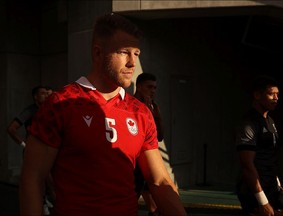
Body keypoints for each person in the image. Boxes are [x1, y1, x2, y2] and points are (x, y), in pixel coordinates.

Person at [19, 13, 187, 216]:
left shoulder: (140, 112)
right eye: (124, 52)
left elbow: (159, 181)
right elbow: (33, 178)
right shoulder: (60, 104)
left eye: (137, 53)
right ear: (98, 53)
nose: (133, 63)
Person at [235, 75, 283, 216]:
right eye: (271, 94)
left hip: (272, 186)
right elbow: (247, 165)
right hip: (255, 191)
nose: (276, 98)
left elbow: (270, 155)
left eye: (277, 94)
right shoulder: (249, 123)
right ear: (257, 95)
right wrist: (262, 201)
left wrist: (277, 184)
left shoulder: (270, 120)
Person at [7, 85, 53, 215]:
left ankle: (45, 202)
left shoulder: (50, 109)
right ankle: (42, 204)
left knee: (49, 181)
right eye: (42, 93)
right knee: (39, 181)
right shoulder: (30, 111)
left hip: (49, 151)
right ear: (35, 97)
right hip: (34, 152)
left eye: (46, 93)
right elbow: (11, 128)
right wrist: (24, 145)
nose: (45, 95)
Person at [134, 73, 164, 216]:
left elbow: (160, 136)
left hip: (148, 161)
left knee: (154, 205)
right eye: (149, 87)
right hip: (134, 165)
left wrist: (153, 114)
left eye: (155, 88)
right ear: (139, 87)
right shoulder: (130, 105)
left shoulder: (153, 107)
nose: (153, 91)